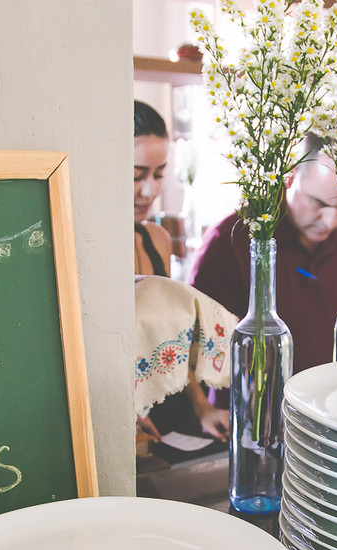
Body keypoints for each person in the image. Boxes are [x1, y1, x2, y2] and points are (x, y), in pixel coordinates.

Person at [188, 135, 337, 375]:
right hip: (257, 395)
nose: (331, 221)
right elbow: (188, 338)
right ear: (291, 176)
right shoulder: (233, 238)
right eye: (318, 203)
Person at [133, 100, 229, 442]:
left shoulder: (157, 239)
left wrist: (203, 409)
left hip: (170, 414)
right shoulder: (84, 248)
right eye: (136, 175)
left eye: (159, 174)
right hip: (123, 419)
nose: (150, 190)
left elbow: (173, 342)